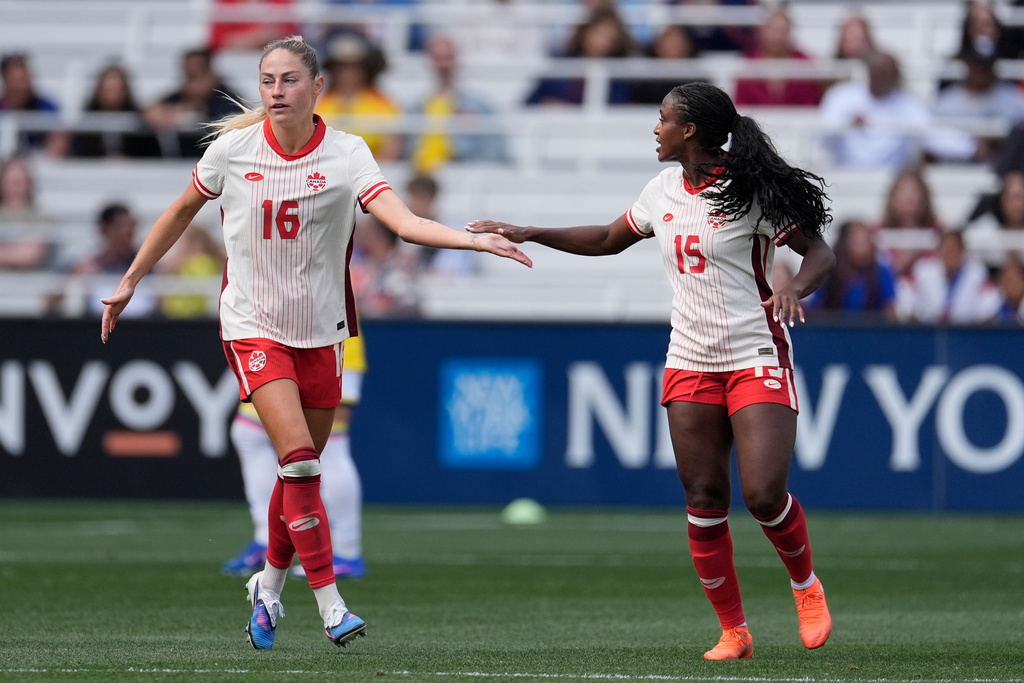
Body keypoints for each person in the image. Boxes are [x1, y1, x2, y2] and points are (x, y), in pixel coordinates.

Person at [99, 35, 530, 651]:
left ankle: (267, 587)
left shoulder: (349, 154)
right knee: (299, 460)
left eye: (289, 80)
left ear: (317, 88)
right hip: (252, 325)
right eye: (267, 80)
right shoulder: (234, 149)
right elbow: (178, 210)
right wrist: (130, 281)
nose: (276, 91)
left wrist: (474, 240)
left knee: (299, 473)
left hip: (322, 334)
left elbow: (404, 225)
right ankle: (330, 604)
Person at [468, 81, 836, 660]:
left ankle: (805, 586)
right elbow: (610, 239)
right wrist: (530, 230)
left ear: (689, 130)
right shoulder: (663, 188)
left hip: (754, 353)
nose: (655, 127)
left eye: (663, 118)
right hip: (689, 357)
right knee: (704, 495)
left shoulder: (749, 193)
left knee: (763, 493)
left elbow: (820, 252)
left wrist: (794, 286)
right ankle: (733, 631)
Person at [223, 332, 369, 580]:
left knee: (330, 446)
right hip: (284, 339)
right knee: (247, 432)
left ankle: (347, 549)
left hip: (329, 338)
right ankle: (267, 537)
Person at [408, 33, 506, 174]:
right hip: (420, 176)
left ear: (457, 60)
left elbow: (495, 149)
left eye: (448, 58)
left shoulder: (479, 106)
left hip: (459, 174)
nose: (443, 65)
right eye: (438, 58)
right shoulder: (416, 107)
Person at [315, 33, 403, 162]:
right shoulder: (320, 103)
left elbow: (392, 145)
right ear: (333, 69)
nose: (348, 73)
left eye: (354, 66)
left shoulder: (382, 103)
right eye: (341, 66)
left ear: (365, 69)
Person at [525, 8, 636, 107]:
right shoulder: (562, 63)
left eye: (610, 38)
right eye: (599, 34)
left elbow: (617, 108)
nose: (603, 43)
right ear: (585, 33)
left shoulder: (619, 76)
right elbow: (532, 100)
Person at [143, 48, 243, 157]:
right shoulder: (181, 95)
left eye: (195, 76)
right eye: (187, 76)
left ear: (211, 74)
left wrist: (193, 113)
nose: (189, 83)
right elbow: (150, 111)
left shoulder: (228, 99)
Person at [895, 230, 1002, 323]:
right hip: (928, 331)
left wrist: (981, 318)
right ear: (939, 250)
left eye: (955, 249)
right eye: (946, 249)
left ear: (962, 251)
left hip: (965, 333)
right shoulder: (924, 270)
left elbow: (990, 302)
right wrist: (912, 314)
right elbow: (905, 294)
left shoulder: (976, 272)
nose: (950, 253)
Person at [733, 6, 822, 107]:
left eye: (782, 30)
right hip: (755, 121)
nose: (778, 36)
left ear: (789, 32)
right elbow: (741, 106)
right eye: (773, 29)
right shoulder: (747, 66)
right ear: (762, 32)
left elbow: (810, 104)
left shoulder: (805, 63)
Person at [812, 219, 897, 321]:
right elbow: (816, 310)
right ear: (844, 243)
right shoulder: (828, 273)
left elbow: (890, 310)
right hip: (834, 331)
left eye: (865, 241)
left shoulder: (882, 273)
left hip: (871, 331)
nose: (862, 247)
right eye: (856, 241)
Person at [70, 64, 161, 159]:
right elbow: (79, 154)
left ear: (125, 91)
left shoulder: (139, 122)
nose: (112, 96)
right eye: (107, 90)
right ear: (99, 91)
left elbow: (150, 155)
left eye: (117, 90)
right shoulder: (87, 123)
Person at [0, 53, 65, 155]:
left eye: (27, 78)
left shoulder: (47, 107)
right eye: (19, 79)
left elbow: (58, 142)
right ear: (6, 78)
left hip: (39, 164)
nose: (24, 85)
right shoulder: (2, 108)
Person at [0, 156, 54, 270]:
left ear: (29, 183)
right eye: (12, 182)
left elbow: (28, 256)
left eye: (20, 182)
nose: (16, 187)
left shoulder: (40, 217)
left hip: (28, 284)